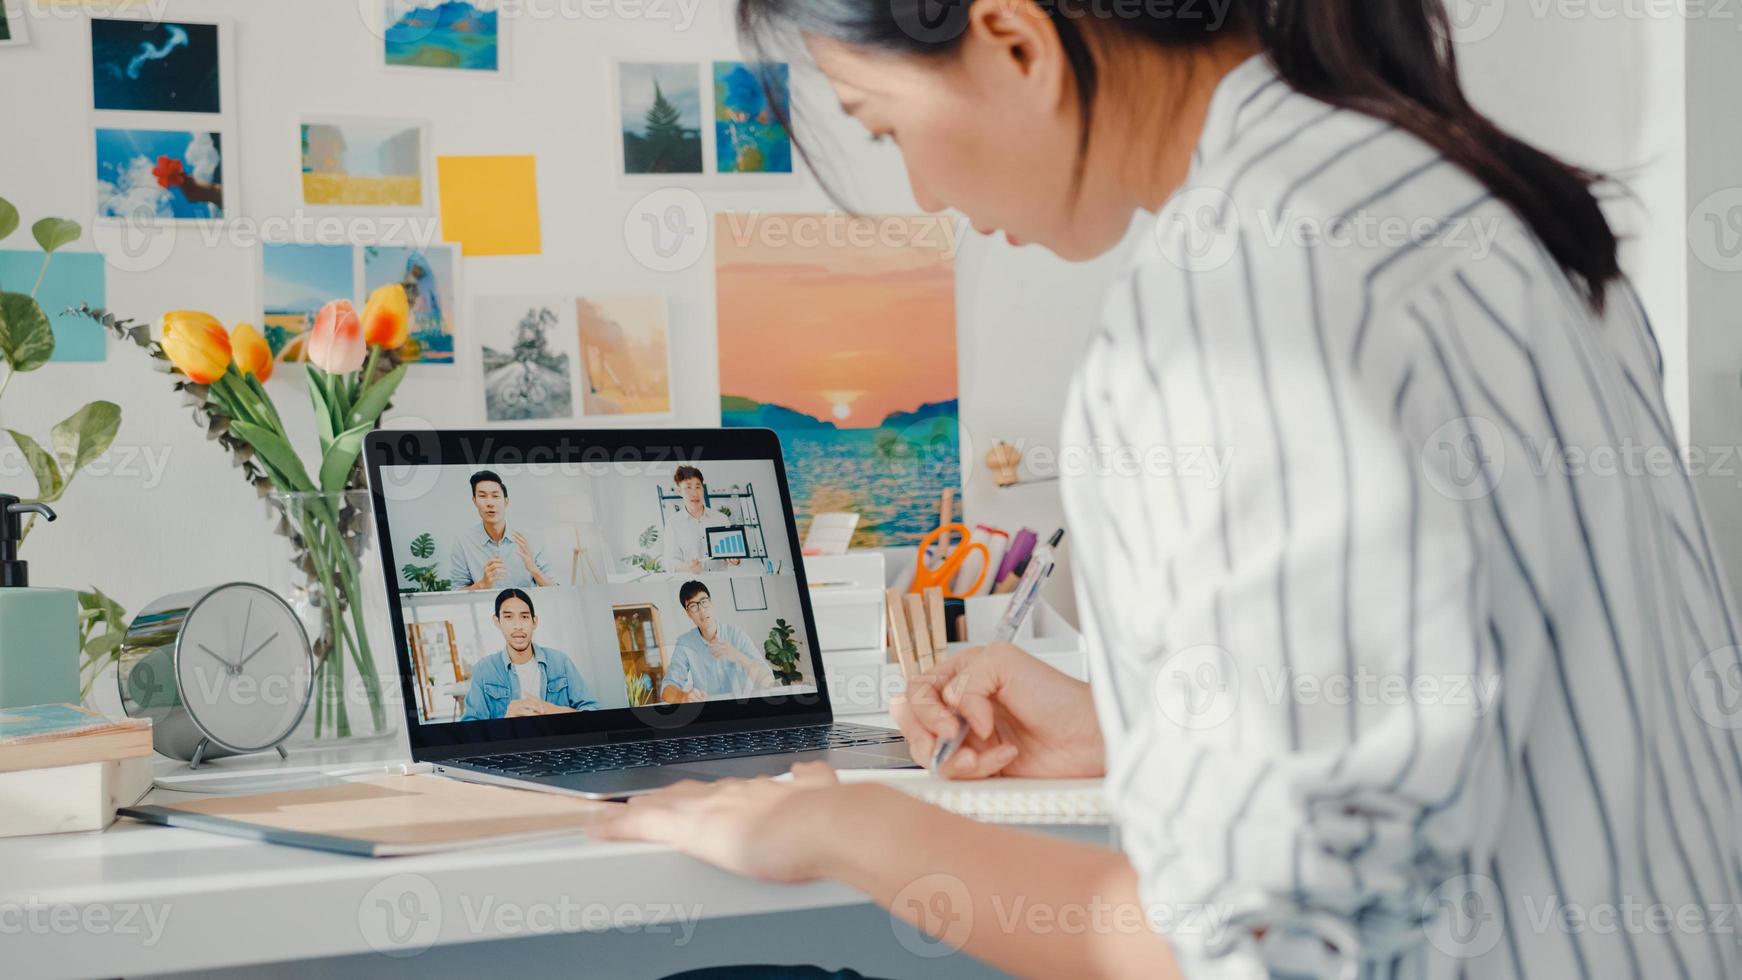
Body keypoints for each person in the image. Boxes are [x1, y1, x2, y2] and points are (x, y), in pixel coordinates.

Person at [592, 2, 1742, 979]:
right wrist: (1142, 728)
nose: (924, 189)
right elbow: (1505, 709)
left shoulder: (1229, 303)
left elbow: (1258, 949)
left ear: (1012, 40)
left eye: (882, 124)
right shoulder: (1482, 205)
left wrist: (852, 826)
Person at [460, 589, 597, 720]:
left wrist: (551, 710)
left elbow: (593, 710)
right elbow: (470, 728)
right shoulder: (483, 670)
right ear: (497, 622)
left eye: (524, 617)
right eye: (508, 617)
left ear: (534, 622)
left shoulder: (560, 662)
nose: (518, 626)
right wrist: (506, 720)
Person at [660, 581, 775, 703]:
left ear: (711, 604)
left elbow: (768, 681)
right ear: (688, 613)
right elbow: (666, 691)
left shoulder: (736, 634)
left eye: (704, 602)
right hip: (709, 711)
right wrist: (684, 697)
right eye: (693, 606)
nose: (701, 610)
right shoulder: (685, 643)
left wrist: (738, 656)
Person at [449, 470, 555, 590]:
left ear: (506, 501)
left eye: (495, 496)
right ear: (474, 501)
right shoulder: (463, 542)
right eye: (482, 496)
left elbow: (555, 589)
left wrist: (533, 569)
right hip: (484, 608)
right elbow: (457, 593)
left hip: (522, 608)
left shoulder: (530, 539)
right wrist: (482, 584)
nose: (489, 503)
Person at [661, 465, 743, 573]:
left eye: (698, 487)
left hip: (723, 581)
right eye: (688, 487)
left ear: (703, 489)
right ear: (679, 492)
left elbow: (736, 555)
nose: (694, 493)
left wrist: (736, 560)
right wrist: (688, 567)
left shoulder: (721, 519)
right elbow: (670, 562)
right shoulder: (673, 524)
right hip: (693, 582)